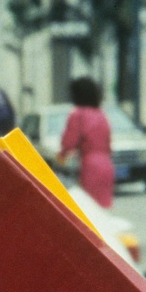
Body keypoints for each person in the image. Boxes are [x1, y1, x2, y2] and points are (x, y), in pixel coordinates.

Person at [58, 76, 115, 209]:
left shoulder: (78, 114)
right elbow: (108, 143)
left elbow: (68, 143)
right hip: (106, 165)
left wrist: (61, 155)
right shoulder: (101, 114)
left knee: (88, 211)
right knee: (101, 211)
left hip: (90, 166)